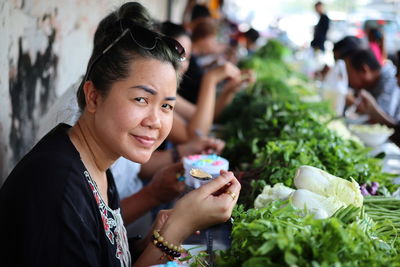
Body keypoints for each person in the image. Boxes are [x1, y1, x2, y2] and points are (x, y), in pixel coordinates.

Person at [0, 2, 241, 267]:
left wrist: (153, 238)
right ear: (93, 96)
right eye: (140, 99)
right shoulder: (57, 188)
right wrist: (179, 227)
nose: (155, 121)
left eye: (167, 106)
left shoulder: (99, 165)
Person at [160, 21, 254, 143]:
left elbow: (205, 117)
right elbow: (195, 136)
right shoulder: (160, 94)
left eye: (188, 57)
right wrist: (210, 79)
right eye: (178, 55)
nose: (184, 65)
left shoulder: (169, 93)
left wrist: (229, 90)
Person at [345, 49, 400, 122]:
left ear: (364, 70)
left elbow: (389, 121)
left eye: (349, 74)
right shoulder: (369, 84)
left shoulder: (391, 79)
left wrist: (357, 104)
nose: (347, 79)